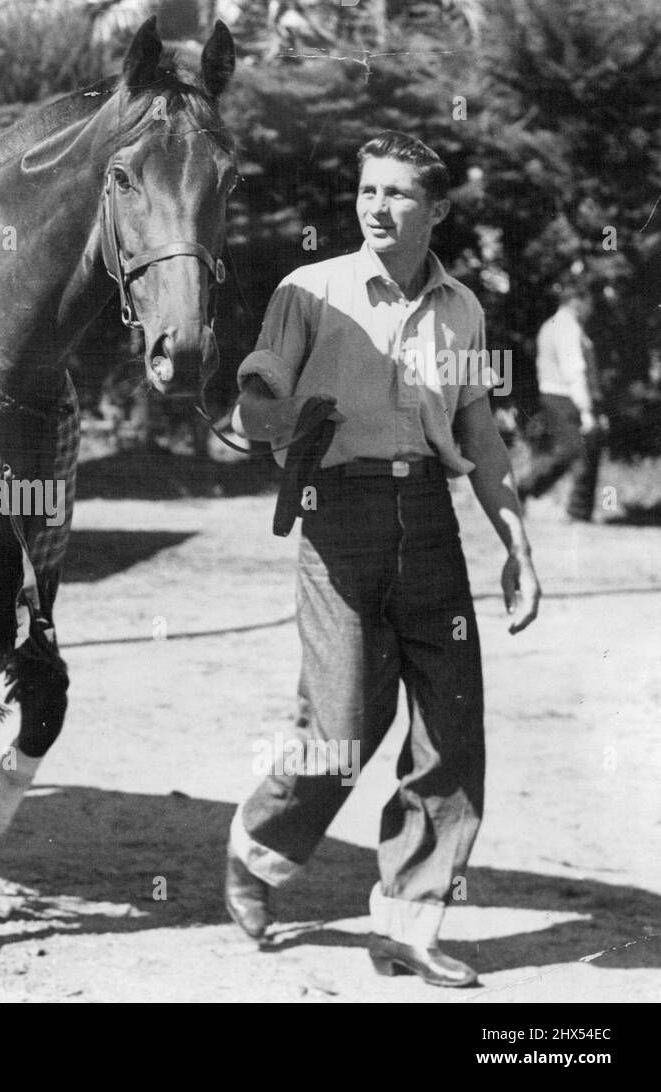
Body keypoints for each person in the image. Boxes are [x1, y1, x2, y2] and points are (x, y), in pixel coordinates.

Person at [224, 131, 542, 987]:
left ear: (436, 209)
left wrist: (515, 542)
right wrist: (270, 408)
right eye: (369, 191)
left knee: (450, 729)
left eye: (399, 194)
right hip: (338, 517)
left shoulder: (463, 308)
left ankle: (409, 923)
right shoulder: (307, 291)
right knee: (339, 731)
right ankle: (257, 847)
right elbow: (254, 403)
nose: (378, 207)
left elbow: (478, 431)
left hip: (430, 519)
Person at [517, 285, 608, 521]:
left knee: (586, 450)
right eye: (588, 303)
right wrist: (587, 410)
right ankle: (523, 489)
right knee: (572, 450)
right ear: (577, 301)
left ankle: (579, 512)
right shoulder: (567, 327)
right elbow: (574, 371)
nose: (590, 310)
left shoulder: (552, 325)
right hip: (565, 396)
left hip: (561, 396)